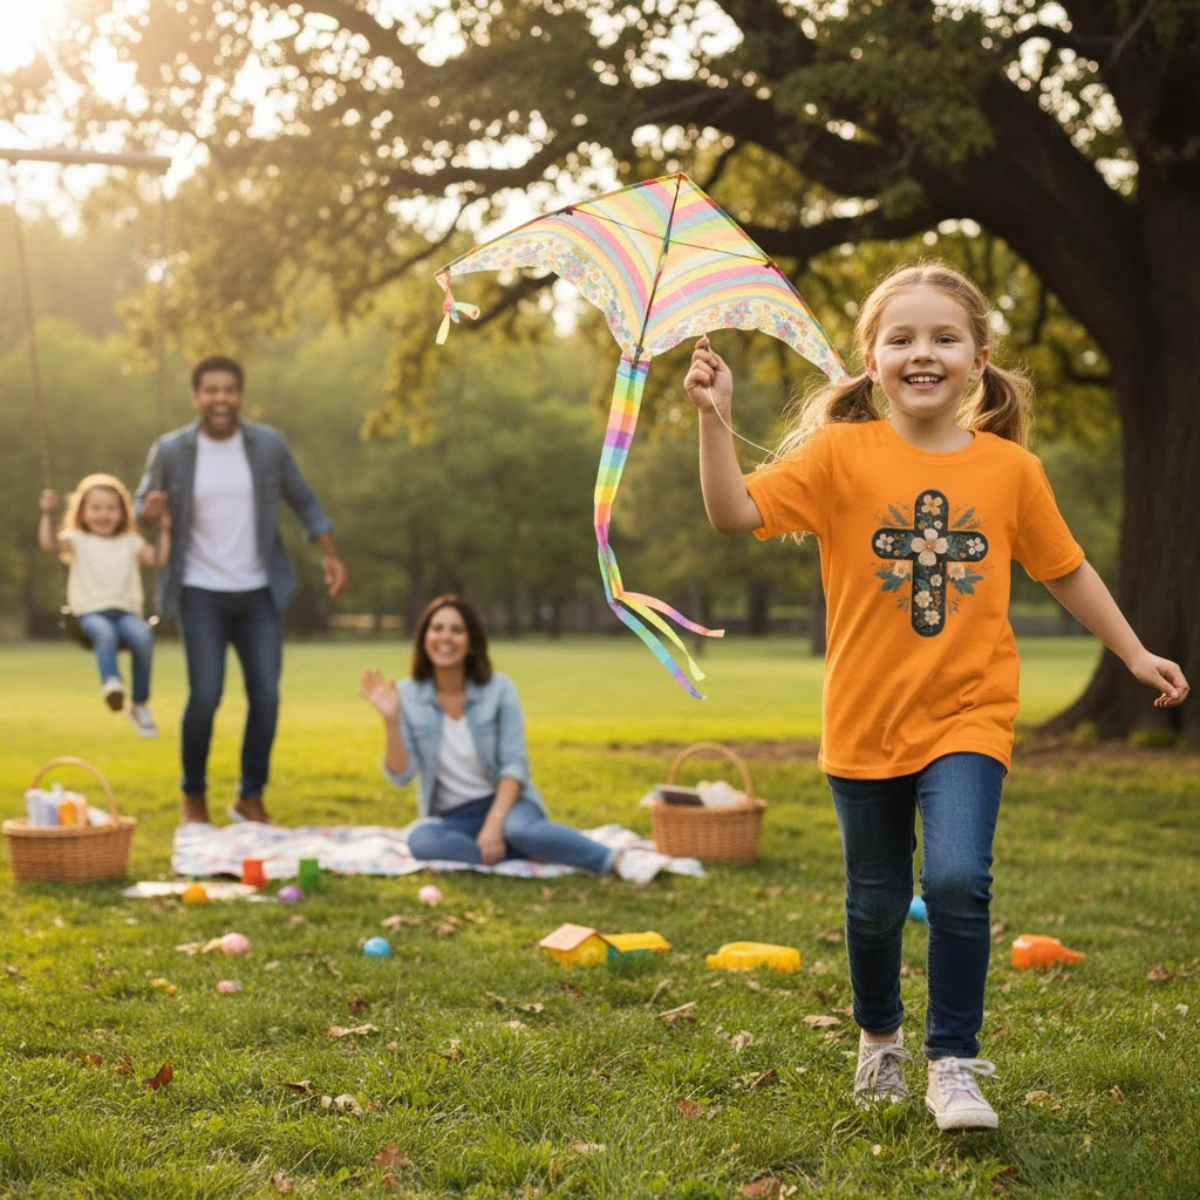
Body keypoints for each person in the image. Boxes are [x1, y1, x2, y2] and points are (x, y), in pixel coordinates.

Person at [683, 260, 1189, 1132]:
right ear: (870, 360)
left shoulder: (1010, 471)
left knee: (956, 878)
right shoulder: (839, 455)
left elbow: (1063, 568)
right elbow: (733, 514)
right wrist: (715, 422)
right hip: (864, 717)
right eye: (902, 337)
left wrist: (1136, 652)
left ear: (980, 358)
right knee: (875, 903)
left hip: (970, 714)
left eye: (945, 337)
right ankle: (878, 1037)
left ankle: (952, 1061)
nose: (924, 352)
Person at [136, 354, 348, 826]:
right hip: (200, 590)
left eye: (228, 390)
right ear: (195, 397)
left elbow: (305, 500)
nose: (220, 399)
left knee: (267, 695)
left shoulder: (268, 445)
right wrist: (148, 514)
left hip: (258, 591)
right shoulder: (171, 450)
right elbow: (139, 507)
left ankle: (249, 796)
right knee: (206, 695)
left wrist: (329, 552)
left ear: (240, 396)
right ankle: (194, 797)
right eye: (210, 390)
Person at [360, 594, 671, 882]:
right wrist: (391, 720)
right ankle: (534, 845)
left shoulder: (499, 689)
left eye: (456, 629)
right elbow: (401, 776)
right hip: (454, 817)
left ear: (471, 641)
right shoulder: (407, 695)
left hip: (507, 804)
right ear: (424, 637)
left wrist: (495, 825)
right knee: (421, 840)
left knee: (518, 828)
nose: (445, 637)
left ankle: (614, 859)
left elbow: (514, 766)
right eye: (437, 628)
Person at [37, 474, 167, 736]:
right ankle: (112, 684)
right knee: (104, 633)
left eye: (111, 508)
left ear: (123, 512)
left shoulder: (131, 541)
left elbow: (159, 558)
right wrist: (48, 515)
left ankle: (139, 705)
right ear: (82, 512)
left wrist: (164, 526)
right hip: (89, 613)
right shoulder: (78, 539)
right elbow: (50, 543)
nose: (103, 514)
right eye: (96, 508)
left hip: (126, 613)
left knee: (143, 637)